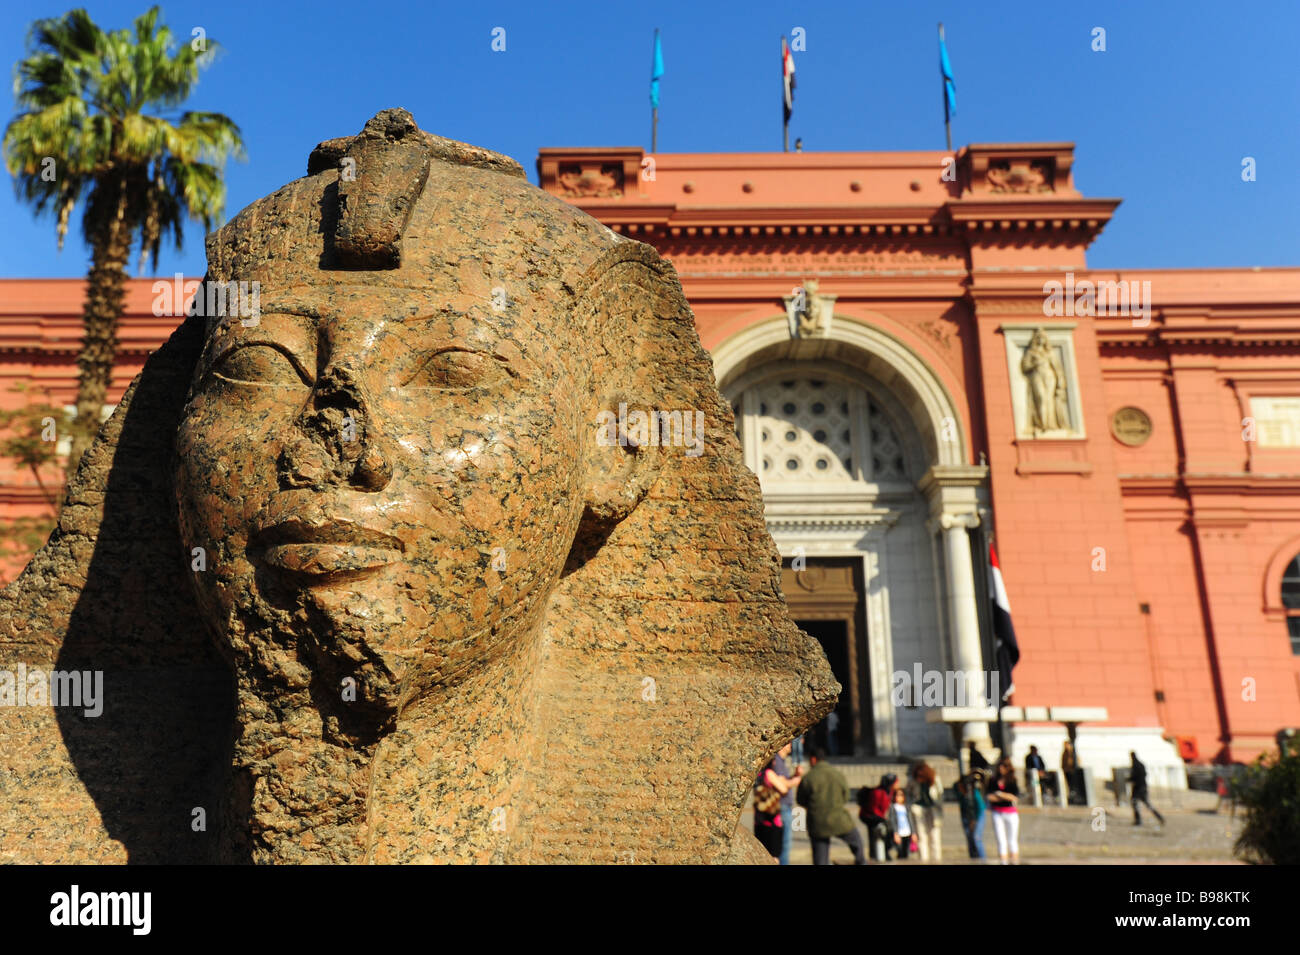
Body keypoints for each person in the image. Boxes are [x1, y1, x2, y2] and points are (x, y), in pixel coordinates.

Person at [797, 746, 866, 865]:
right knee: (856, 840)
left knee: (820, 857)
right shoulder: (837, 774)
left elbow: (800, 800)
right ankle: (861, 861)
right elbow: (846, 796)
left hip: (817, 822)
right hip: (839, 818)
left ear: (813, 759)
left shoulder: (808, 777)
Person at [752, 743, 801, 863]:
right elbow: (783, 788)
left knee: (764, 851)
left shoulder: (759, 774)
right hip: (773, 818)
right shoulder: (769, 773)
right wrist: (796, 780)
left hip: (760, 819)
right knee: (778, 852)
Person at [907, 761, 944, 862]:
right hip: (918, 809)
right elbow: (908, 793)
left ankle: (937, 860)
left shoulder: (934, 779)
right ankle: (924, 860)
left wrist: (939, 807)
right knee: (921, 835)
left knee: (934, 836)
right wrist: (911, 805)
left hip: (933, 809)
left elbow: (940, 794)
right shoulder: (913, 780)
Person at [986, 757, 1020, 864]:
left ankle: (1014, 862)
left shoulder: (1012, 780)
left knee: (1012, 840)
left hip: (1010, 813)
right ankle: (1003, 862)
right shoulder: (993, 780)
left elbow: (1014, 797)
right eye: (1000, 766)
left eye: (1003, 766)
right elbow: (989, 797)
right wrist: (1004, 797)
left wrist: (1000, 794)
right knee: (1001, 840)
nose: (1001, 768)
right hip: (997, 812)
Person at [858, 772, 897, 862]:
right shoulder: (877, 792)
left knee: (881, 832)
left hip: (877, 815)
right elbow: (873, 808)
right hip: (869, 816)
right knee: (875, 833)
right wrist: (882, 818)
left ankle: (882, 852)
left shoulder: (889, 791)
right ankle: (875, 854)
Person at [1129, 752, 1166, 828]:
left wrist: (1130, 779)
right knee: (1147, 804)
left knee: (1135, 803)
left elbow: (1135, 777)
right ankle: (1159, 817)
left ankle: (1138, 820)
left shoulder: (1135, 766)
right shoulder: (1140, 765)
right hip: (1143, 787)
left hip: (1138, 788)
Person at [957, 771, 987, 860]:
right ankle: (973, 859)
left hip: (978, 815)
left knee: (976, 837)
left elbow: (979, 808)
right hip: (966, 816)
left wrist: (974, 821)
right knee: (970, 839)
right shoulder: (961, 793)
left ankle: (982, 860)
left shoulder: (974, 792)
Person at [885, 786, 917, 860]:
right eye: (897, 795)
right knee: (900, 853)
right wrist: (895, 833)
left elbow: (910, 820)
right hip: (899, 833)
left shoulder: (905, 807)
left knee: (906, 854)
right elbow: (892, 821)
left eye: (900, 795)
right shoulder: (893, 807)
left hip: (907, 832)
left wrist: (913, 833)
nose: (898, 797)